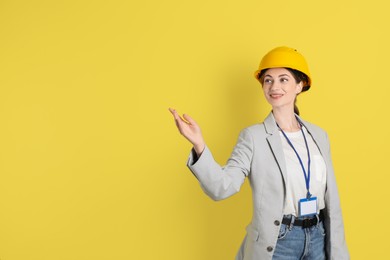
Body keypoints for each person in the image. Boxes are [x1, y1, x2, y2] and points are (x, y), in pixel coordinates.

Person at [169, 46, 349, 260]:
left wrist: (337, 251)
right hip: (280, 241)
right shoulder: (253, 137)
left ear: (300, 85)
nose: (274, 86)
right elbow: (221, 187)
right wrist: (199, 145)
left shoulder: (319, 135)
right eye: (268, 80)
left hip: (319, 236)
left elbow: (332, 201)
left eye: (283, 79)